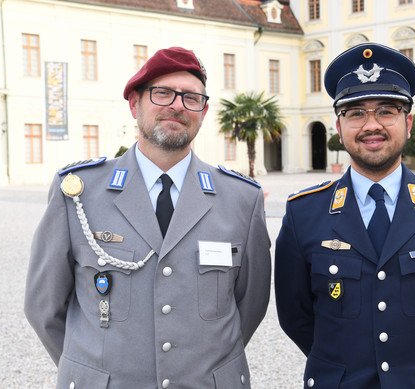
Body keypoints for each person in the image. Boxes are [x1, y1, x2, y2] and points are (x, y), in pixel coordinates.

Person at [24, 47, 271, 389]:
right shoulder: (79, 191)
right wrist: (91, 368)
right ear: (134, 104)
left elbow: (251, 305)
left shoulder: (242, 199)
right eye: (163, 93)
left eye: (191, 97)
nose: (177, 105)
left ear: (204, 110)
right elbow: (44, 307)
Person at [274, 42, 415, 389]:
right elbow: (295, 315)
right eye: (356, 113)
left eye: (386, 111)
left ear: (408, 122)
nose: (371, 125)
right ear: (339, 126)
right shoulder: (304, 212)